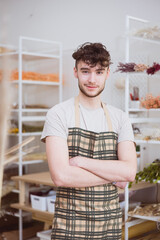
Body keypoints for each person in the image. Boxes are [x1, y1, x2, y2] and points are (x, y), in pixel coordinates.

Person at [41, 42, 137, 240]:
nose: (92, 79)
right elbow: (61, 177)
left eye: (99, 72)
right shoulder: (58, 114)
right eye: (85, 71)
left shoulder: (120, 118)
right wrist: (113, 174)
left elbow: (129, 172)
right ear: (75, 72)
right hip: (70, 225)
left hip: (109, 225)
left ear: (108, 74)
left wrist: (80, 162)